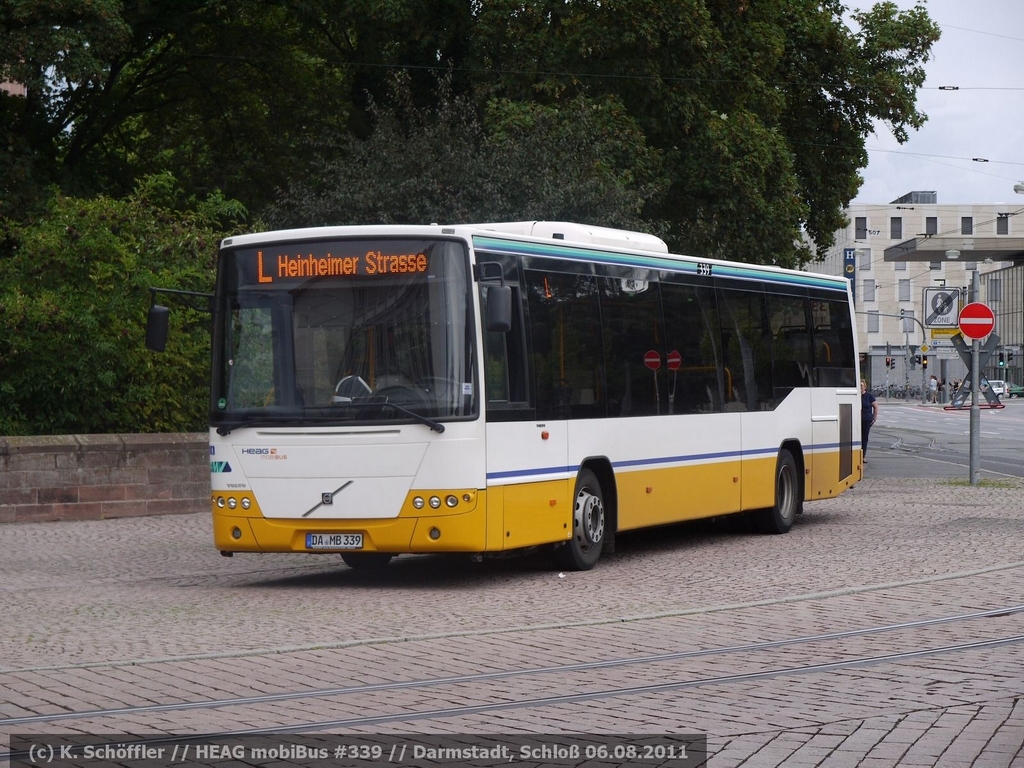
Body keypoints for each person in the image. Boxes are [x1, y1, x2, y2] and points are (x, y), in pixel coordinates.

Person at [861, 379, 878, 463]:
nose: (860, 387)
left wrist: (874, 418)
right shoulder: (855, 395)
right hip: (856, 420)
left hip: (866, 419)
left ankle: (863, 456)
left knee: (864, 438)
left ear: (865, 387)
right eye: (859, 385)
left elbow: (875, 406)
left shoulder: (869, 396)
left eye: (861, 386)